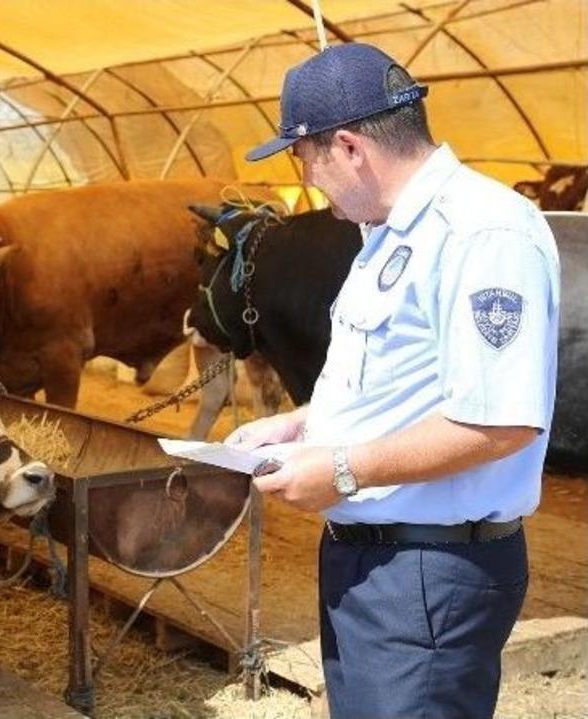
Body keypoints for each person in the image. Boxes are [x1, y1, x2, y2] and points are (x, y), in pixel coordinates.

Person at [228, 43, 559, 719]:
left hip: (427, 575)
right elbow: (395, 380)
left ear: (348, 148)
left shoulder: (482, 231)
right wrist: (300, 425)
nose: (310, 179)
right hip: (376, 566)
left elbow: (501, 421)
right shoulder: (387, 232)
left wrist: (342, 470)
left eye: (306, 158)